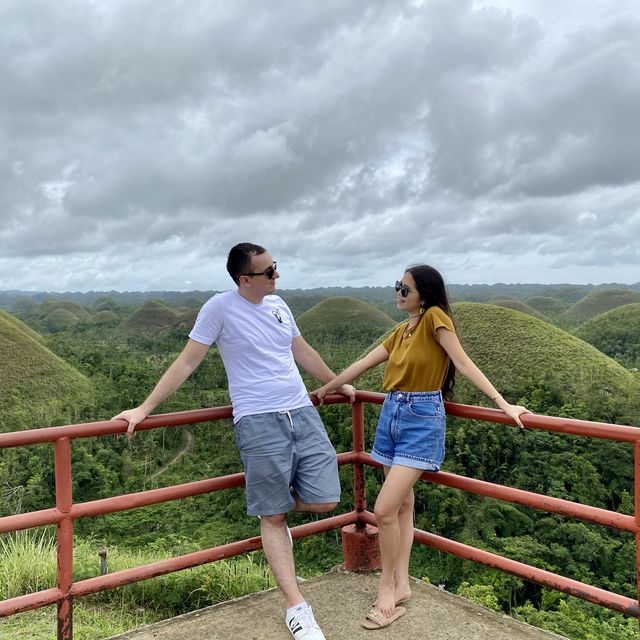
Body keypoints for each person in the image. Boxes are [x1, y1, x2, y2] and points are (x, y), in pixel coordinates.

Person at [112, 242, 355, 640]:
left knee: (326, 498)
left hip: (302, 413)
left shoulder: (280, 306)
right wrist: (145, 408)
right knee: (274, 517)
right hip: (258, 421)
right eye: (268, 272)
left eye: (276, 267)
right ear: (245, 279)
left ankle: (271, 511)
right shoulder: (219, 308)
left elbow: (300, 350)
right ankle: (297, 607)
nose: (277, 275)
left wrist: (335, 382)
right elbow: (188, 361)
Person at [313, 264, 529, 630]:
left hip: (422, 416)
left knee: (383, 510)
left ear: (424, 295)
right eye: (397, 287)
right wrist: (325, 389)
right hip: (391, 414)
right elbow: (364, 363)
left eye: (404, 289)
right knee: (402, 506)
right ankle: (402, 584)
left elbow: (462, 361)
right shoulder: (402, 330)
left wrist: (503, 403)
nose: (398, 293)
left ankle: (386, 595)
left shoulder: (434, 319)